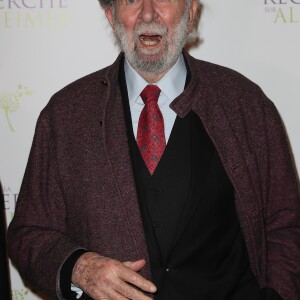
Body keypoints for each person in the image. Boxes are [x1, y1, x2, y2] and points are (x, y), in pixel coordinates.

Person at [7, 0, 300, 299]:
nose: (148, 13)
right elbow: (28, 234)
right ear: (111, 15)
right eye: (131, 0)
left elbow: (285, 224)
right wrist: (80, 268)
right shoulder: (65, 115)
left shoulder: (246, 105)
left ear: (192, 12)